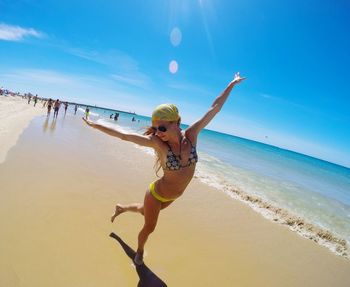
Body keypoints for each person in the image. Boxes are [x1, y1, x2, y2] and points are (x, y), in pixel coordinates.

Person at [82, 72, 245, 265]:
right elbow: (124, 136)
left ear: (176, 122)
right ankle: (139, 252)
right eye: (155, 128)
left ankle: (122, 207)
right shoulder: (158, 144)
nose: (158, 133)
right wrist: (95, 125)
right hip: (156, 193)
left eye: (162, 128)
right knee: (150, 226)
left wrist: (231, 84)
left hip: (173, 196)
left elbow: (214, 108)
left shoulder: (191, 135)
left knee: (143, 211)